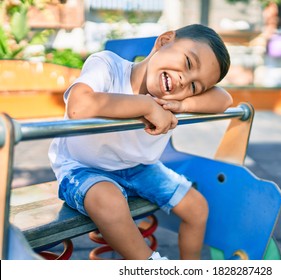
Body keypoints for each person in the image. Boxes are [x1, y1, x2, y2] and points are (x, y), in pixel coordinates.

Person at [48, 24, 232, 260]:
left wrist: (184, 105)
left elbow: (224, 99)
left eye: (195, 87)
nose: (184, 81)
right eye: (188, 63)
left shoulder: (176, 99)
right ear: (165, 41)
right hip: (83, 167)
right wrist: (146, 106)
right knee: (108, 200)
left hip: (138, 167)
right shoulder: (108, 66)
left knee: (197, 207)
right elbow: (79, 107)